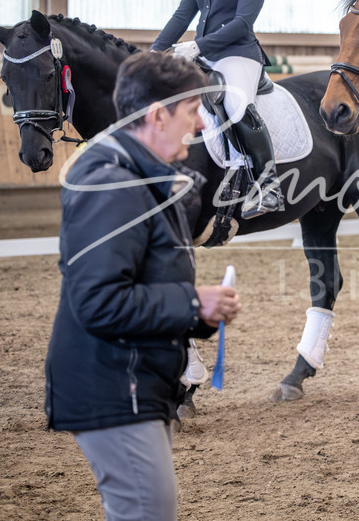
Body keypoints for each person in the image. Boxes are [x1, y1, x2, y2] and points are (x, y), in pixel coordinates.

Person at [44, 51, 242, 521]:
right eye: (192, 113)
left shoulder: (147, 178)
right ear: (157, 115)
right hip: (114, 387)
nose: (198, 127)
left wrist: (198, 313)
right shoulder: (114, 184)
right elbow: (98, 300)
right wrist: (193, 301)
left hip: (136, 382)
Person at [151, 0, 282, 219]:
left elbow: (242, 23)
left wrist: (198, 45)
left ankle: (270, 186)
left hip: (238, 53)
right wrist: (152, 54)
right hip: (205, 54)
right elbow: (182, 16)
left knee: (236, 104)